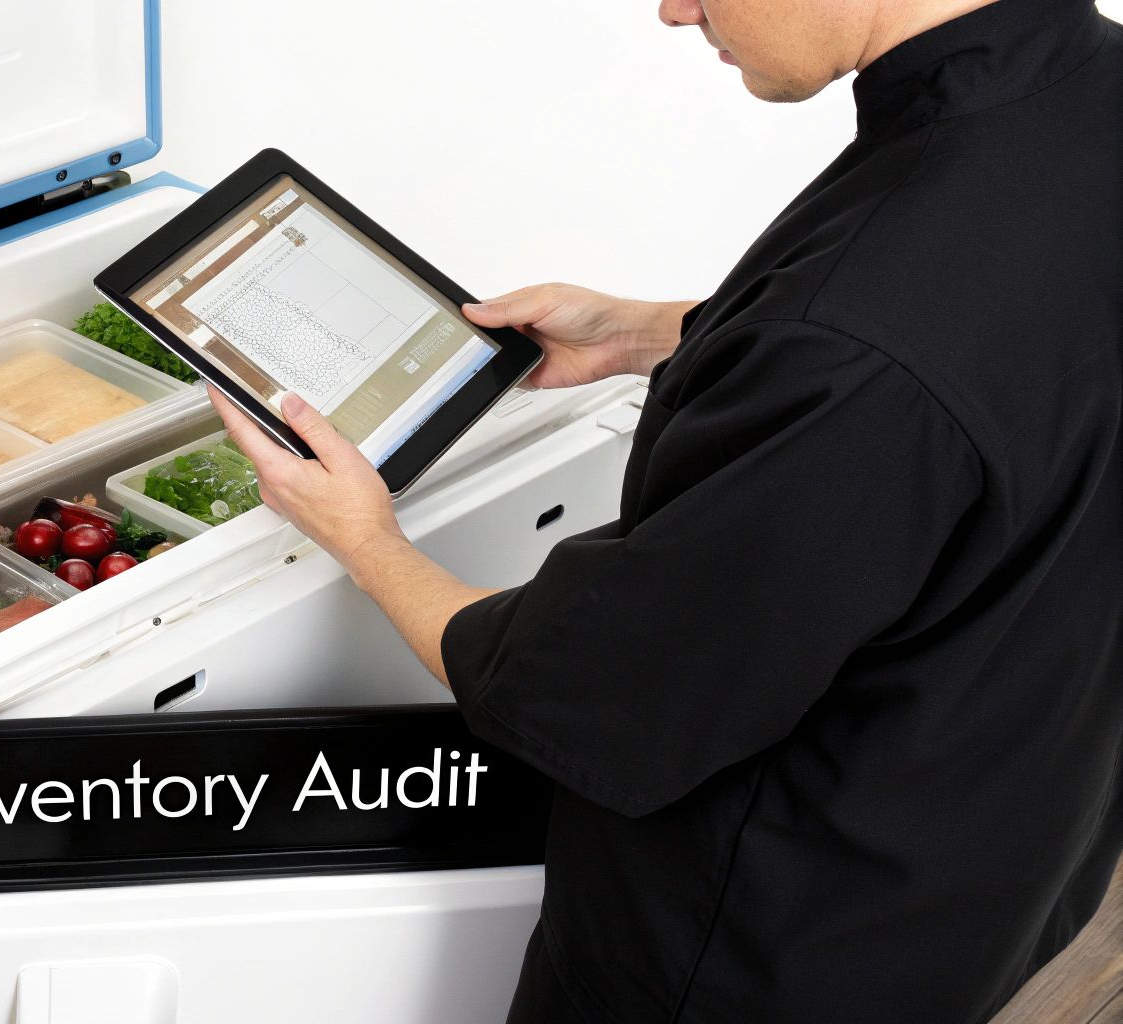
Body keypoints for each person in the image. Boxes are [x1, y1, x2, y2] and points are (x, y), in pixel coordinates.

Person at [207, 0, 1123, 1020]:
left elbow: (602, 693)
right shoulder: (1086, 91)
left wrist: (363, 538)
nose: (674, 9)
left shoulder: (853, 349)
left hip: (768, 953)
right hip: (995, 844)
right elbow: (994, 344)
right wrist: (651, 330)